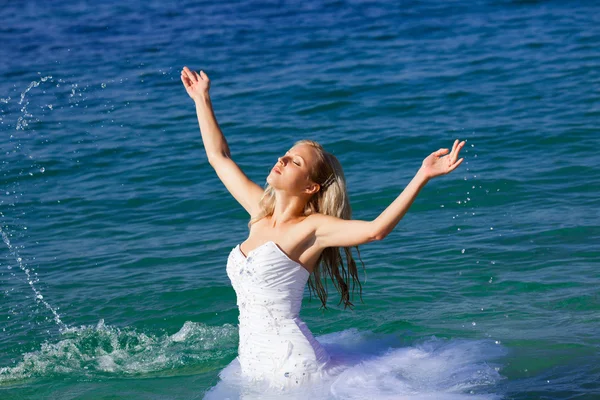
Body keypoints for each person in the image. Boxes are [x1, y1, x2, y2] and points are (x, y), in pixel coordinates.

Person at [180, 67, 465, 394]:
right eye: (286, 155)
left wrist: (422, 176)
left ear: (311, 187)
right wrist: (202, 99)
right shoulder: (260, 214)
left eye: (295, 162)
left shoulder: (312, 228)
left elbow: (375, 231)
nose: (283, 160)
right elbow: (219, 157)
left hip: (293, 366)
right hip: (251, 364)